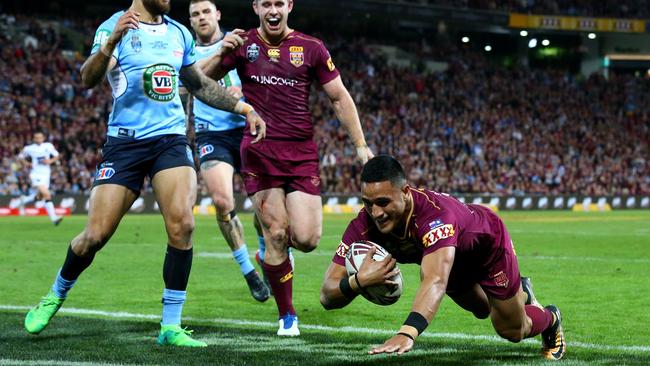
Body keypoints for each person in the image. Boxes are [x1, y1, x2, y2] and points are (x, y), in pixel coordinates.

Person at [23, 0, 266, 348]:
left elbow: (198, 84)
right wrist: (109, 44)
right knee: (94, 235)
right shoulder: (113, 26)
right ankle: (55, 294)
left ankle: (170, 325)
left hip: (170, 141)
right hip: (125, 145)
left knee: (183, 225)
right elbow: (88, 78)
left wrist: (244, 108)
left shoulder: (179, 33)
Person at [200, 0, 373, 336]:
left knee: (307, 239)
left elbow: (339, 97)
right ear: (256, 8)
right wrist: (220, 52)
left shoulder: (311, 48)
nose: (273, 10)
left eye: (279, 3)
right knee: (277, 232)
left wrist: (361, 145)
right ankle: (287, 316)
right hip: (260, 154)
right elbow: (198, 82)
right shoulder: (243, 45)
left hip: (300, 154)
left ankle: (270, 250)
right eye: (266, 4)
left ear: (289, 6)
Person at [320, 155, 566, 360]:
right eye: (368, 203)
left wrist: (407, 333)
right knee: (481, 309)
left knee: (511, 329)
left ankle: (551, 317)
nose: (376, 213)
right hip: (451, 261)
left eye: (383, 202)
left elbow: (435, 279)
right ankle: (520, 292)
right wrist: (357, 282)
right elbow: (327, 295)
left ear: (405, 192)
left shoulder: (435, 217)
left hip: (487, 248)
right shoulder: (363, 225)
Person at [184, 0, 269, 303]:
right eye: (195, 14)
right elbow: (188, 86)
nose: (201, 17)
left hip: (247, 128)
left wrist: (243, 94)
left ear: (217, 14)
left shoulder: (241, 41)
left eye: (206, 12)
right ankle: (248, 271)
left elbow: (261, 79)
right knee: (222, 202)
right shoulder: (186, 52)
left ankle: (263, 251)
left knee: (262, 208)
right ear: (190, 21)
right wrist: (220, 57)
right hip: (212, 133)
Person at [18, 130, 63, 225]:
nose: (38, 139)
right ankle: (54, 218)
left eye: (40, 137)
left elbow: (57, 155)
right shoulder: (29, 148)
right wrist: (27, 164)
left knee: (39, 196)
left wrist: (50, 161)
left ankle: (24, 200)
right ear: (34, 139)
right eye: (36, 137)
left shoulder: (48, 146)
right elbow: (20, 157)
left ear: (43, 138)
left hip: (46, 174)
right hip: (36, 174)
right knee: (47, 194)